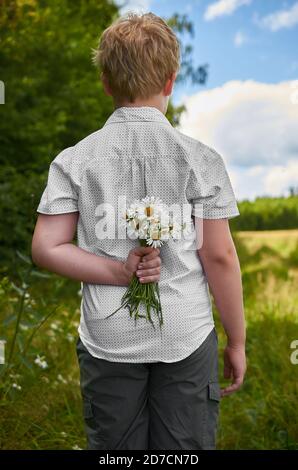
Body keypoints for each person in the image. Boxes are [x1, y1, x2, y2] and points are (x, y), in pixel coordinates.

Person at [31, 12, 246, 450]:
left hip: (108, 340)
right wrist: (236, 341)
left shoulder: (75, 159)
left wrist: (116, 272)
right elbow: (220, 258)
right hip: (186, 335)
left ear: (106, 83)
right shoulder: (201, 160)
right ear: (170, 81)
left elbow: (46, 246)